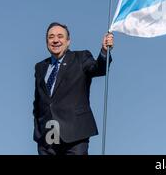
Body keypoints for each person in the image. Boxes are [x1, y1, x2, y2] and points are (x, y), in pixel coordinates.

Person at [33, 22, 114, 155]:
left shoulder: (81, 58)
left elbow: (99, 69)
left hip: (75, 134)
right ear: (46, 41)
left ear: (68, 41)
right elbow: (38, 103)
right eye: (51, 37)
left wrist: (104, 51)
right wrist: (38, 131)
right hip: (47, 138)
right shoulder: (40, 67)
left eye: (60, 36)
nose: (55, 40)